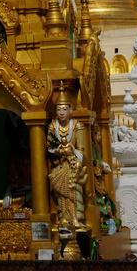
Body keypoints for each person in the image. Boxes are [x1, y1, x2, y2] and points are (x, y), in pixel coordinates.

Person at [47, 90, 87, 232]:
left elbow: (81, 148)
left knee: (74, 193)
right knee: (61, 194)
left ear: (71, 110)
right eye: (58, 109)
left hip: (73, 164)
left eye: (64, 109)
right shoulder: (52, 127)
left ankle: (76, 219)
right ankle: (62, 219)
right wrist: (58, 151)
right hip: (60, 164)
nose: (61, 112)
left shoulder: (77, 126)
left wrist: (75, 157)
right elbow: (49, 146)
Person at [91, 124, 120, 234]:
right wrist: (101, 164)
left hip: (99, 176)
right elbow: (92, 160)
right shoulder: (91, 147)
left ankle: (108, 220)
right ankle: (104, 218)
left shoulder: (96, 147)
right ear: (93, 135)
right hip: (94, 177)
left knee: (104, 197)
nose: (100, 137)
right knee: (100, 198)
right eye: (98, 135)